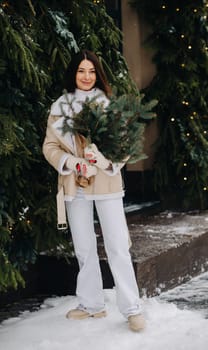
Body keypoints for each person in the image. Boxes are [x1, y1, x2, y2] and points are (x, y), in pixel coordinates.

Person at [42, 49, 146, 332]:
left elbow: (125, 146)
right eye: (81, 71)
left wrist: (106, 161)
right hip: (75, 186)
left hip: (107, 185)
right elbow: (50, 147)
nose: (86, 77)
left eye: (91, 71)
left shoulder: (109, 106)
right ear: (73, 74)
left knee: (117, 246)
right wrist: (71, 162)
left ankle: (132, 308)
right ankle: (91, 304)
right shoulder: (59, 107)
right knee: (84, 248)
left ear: (97, 74)